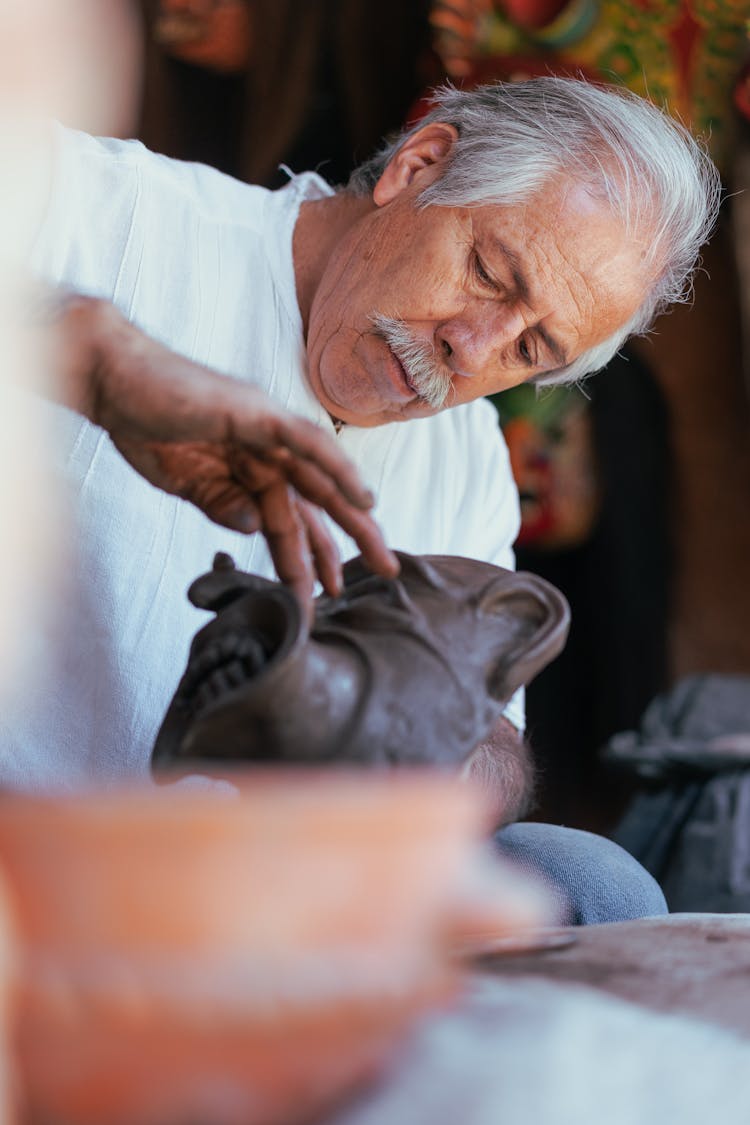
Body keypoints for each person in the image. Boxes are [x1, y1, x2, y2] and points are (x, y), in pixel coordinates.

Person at [18, 76, 719, 921]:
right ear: (419, 166)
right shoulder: (94, 212)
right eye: (491, 272)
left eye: (531, 344)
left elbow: (477, 758)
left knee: (589, 884)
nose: (472, 346)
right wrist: (90, 364)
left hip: (236, 913)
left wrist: (449, 744)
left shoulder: (466, 467)